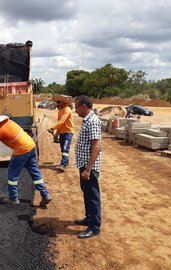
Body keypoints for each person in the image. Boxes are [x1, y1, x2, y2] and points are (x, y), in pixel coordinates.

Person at [0, 111, 52, 206]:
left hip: (21, 151)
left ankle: (13, 198)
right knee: (35, 172)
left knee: (12, 175)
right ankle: (45, 194)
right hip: (31, 146)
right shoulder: (9, 122)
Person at [73, 95, 102, 239]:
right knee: (87, 193)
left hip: (88, 167)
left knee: (92, 196)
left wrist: (88, 169)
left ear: (84, 106)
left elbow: (96, 146)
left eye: (76, 107)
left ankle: (95, 226)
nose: (75, 110)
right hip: (84, 164)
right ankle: (89, 218)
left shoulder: (93, 121)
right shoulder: (87, 120)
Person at [49, 95, 74, 172]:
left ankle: (63, 164)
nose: (58, 104)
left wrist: (53, 128)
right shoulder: (60, 111)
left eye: (59, 102)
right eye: (57, 102)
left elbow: (62, 121)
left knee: (65, 148)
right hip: (62, 133)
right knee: (63, 149)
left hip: (68, 132)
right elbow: (60, 124)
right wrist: (56, 135)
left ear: (63, 102)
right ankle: (66, 162)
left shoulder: (67, 109)